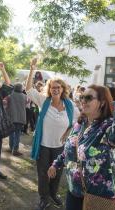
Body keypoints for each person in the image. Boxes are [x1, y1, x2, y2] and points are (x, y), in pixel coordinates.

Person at [47, 75, 115, 210]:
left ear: (102, 102)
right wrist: (56, 164)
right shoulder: (79, 124)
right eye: (82, 97)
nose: (83, 101)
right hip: (74, 191)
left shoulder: (107, 126)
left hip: (98, 195)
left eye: (88, 98)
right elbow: (69, 150)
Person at [26, 58, 79, 210]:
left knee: (57, 171)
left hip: (61, 146)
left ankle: (53, 194)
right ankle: (44, 198)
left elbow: (78, 121)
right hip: (43, 145)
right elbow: (29, 89)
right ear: (49, 89)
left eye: (58, 87)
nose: (55, 89)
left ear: (62, 89)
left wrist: (68, 132)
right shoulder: (44, 101)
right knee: (43, 173)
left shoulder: (70, 106)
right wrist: (32, 69)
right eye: (53, 87)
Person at [6, 83, 27, 156]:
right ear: (21, 89)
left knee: (11, 133)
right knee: (17, 134)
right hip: (20, 118)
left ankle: (11, 147)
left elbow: (6, 105)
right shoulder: (25, 96)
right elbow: (27, 104)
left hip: (11, 117)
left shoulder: (10, 95)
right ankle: (15, 149)